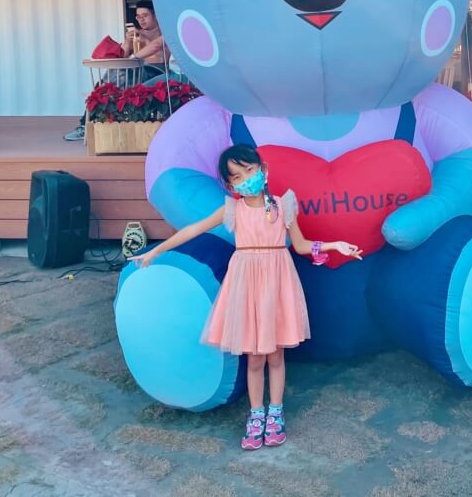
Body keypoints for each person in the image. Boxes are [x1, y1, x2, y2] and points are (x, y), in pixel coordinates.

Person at [131, 144, 362, 451]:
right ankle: (256, 415)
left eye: (249, 170)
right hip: (248, 285)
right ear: (230, 184)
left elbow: (302, 246)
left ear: (263, 170)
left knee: (276, 354)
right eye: (237, 176)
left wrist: (335, 246)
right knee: (255, 357)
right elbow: (193, 230)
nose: (245, 178)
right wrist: (157, 250)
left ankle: (276, 412)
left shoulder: (284, 206)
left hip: (278, 282)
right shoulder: (232, 210)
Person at [64, 3, 170, 141]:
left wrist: (134, 57)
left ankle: (93, 114)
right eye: (138, 17)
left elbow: (156, 45)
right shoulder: (137, 36)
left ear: (155, 15)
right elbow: (122, 58)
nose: (141, 20)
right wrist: (127, 42)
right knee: (111, 76)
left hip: (156, 71)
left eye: (145, 16)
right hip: (135, 73)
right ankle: (86, 124)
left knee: (115, 76)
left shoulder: (166, 32)